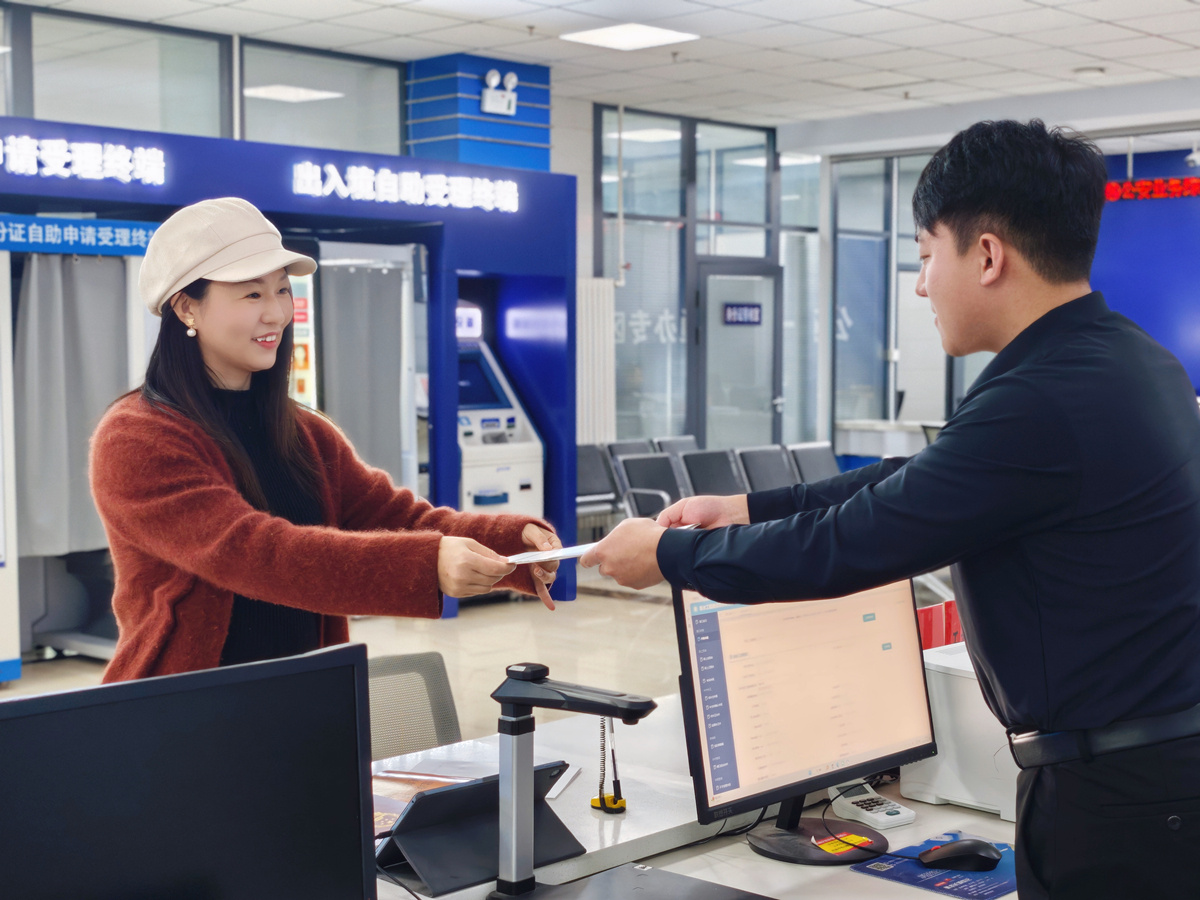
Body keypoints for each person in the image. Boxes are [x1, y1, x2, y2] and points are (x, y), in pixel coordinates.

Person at [582, 120, 1200, 898]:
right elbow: (922, 479)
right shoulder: (1126, 359)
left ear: (987, 256)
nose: (919, 285)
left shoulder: (1040, 397)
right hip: (1153, 779)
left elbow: (851, 542)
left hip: (1119, 805)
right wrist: (746, 508)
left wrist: (670, 557)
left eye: (924, 255)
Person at [91, 197, 559, 682]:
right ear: (187, 307)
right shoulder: (137, 437)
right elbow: (254, 553)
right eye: (251, 295)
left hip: (309, 695)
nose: (276, 313)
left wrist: (512, 544)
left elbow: (397, 518)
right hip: (183, 707)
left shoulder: (304, 432)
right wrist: (425, 565)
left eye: (281, 290)